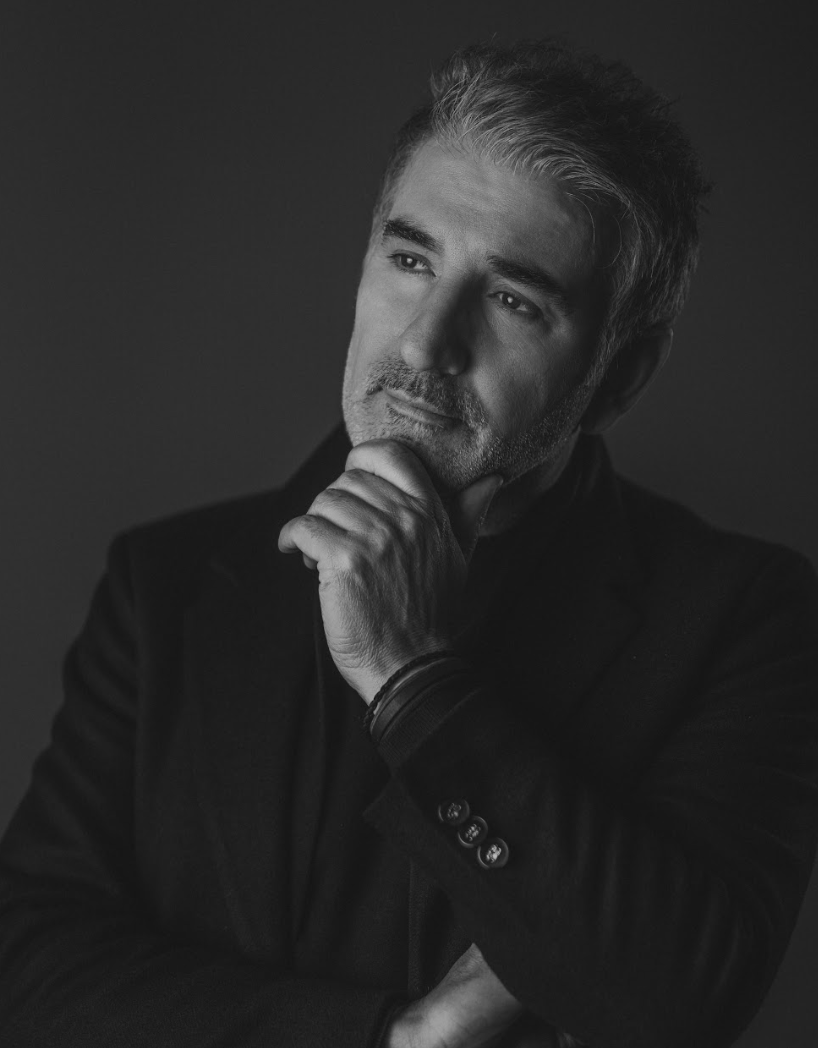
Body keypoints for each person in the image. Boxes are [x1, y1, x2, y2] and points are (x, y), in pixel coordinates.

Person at [1, 38, 816, 1048]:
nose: (426, 342)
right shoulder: (162, 585)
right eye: (409, 259)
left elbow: (675, 1006)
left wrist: (412, 676)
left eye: (514, 300)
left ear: (619, 376)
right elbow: (25, 966)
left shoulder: (742, 618)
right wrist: (393, 1039)